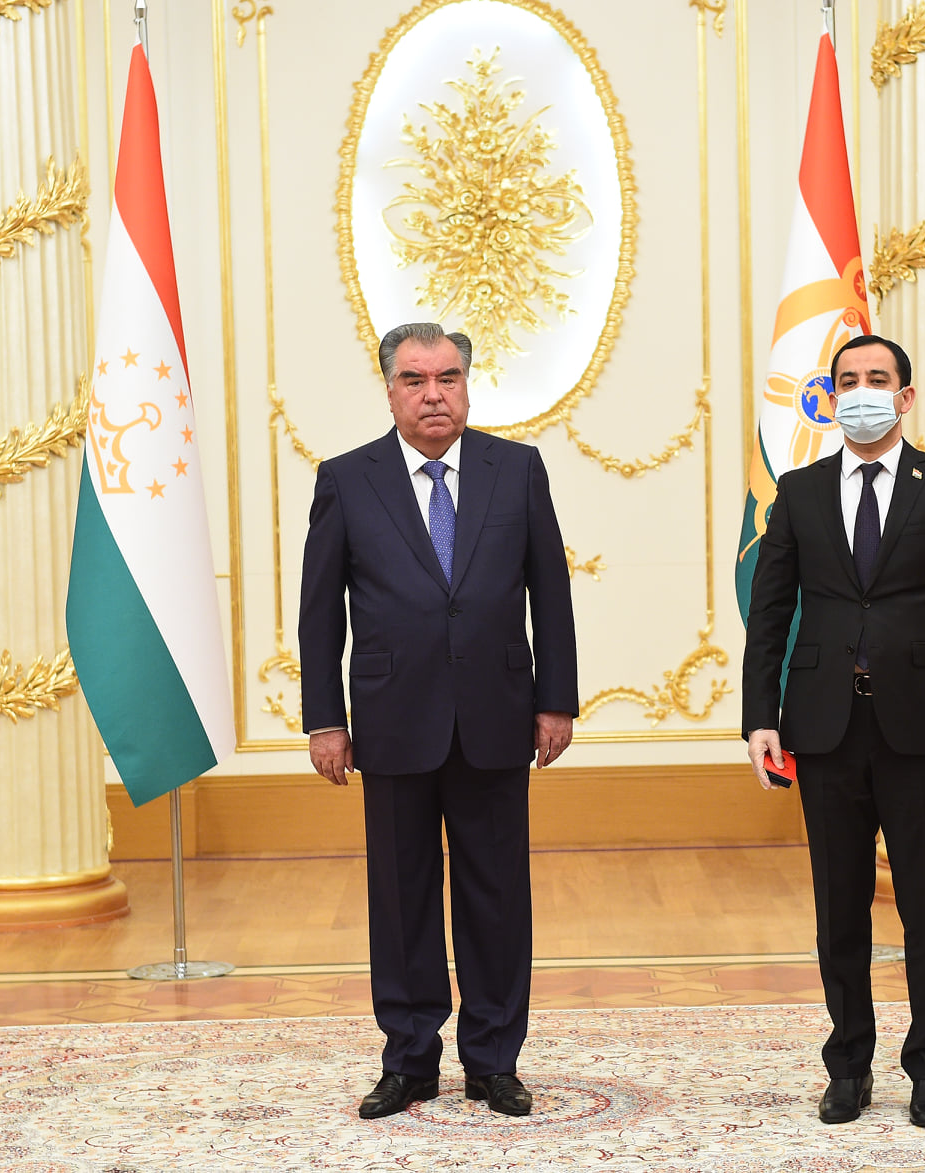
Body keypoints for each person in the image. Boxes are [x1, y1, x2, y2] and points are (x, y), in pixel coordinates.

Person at [299, 322, 579, 1121]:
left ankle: (493, 1059)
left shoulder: (515, 469)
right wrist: (325, 719)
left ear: (467, 386)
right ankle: (409, 1058)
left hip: (497, 715)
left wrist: (554, 699)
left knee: (496, 896)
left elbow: (549, 592)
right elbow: (319, 611)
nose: (433, 394)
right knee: (401, 898)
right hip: (391, 720)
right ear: (389, 390)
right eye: (415, 380)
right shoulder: (347, 479)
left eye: (447, 378)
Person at [741, 334, 925, 1129]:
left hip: (920, 730)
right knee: (838, 909)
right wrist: (759, 717)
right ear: (829, 397)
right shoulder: (799, 490)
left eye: (876, 378)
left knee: (924, 906)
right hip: (822, 728)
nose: (861, 391)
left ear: (904, 396)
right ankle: (847, 1063)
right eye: (847, 379)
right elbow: (769, 613)